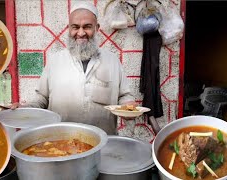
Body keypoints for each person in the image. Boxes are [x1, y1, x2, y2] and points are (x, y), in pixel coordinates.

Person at [12, 2, 136, 135]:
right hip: (60, 144)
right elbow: (42, 99)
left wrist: (128, 106)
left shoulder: (112, 61)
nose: (81, 33)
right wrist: (25, 109)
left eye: (87, 27)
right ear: (69, 28)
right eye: (75, 27)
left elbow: (124, 95)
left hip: (104, 143)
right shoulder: (55, 61)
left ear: (97, 28)